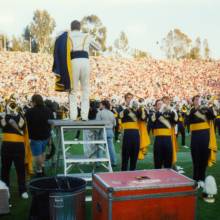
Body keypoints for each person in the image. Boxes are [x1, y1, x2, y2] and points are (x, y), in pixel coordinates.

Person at [68, 20, 100, 120]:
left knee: (73, 90)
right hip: (85, 61)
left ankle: (73, 116)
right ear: (80, 27)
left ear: (71, 27)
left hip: (73, 61)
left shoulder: (67, 36)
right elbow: (98, 47)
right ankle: (84, 116)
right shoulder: (86, 36)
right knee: (85, 89)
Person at [0, 99, 29, 199]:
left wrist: (17, 114)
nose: (12, 106)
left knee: (20, 169)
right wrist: (5, 115)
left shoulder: (20, 116)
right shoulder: (4, 116)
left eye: (13, 105)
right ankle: (5, 190)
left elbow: (22, 127)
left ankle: (23, 190)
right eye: (10, 105)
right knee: (5, 169)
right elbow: (3, 126)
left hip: (18, 146)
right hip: (7, 146)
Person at [189, 95, 217, 188]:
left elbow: (213, 117)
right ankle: (196, 179)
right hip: (196, 136)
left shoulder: (206, 109)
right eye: (196, 99)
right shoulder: (192, 110)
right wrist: (197, 107)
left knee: (204, 156)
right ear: (193, 102)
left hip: (205, 135)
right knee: (196, 157)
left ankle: (202, 178)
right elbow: (188, 120)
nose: (198, 101)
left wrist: (207, 107)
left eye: (199, 99)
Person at [25, 94, 53, 177]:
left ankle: (39, 171)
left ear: (34, 102)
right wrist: (49, 132)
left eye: (32, 101)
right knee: (43, 152)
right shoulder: (48, 110)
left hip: (35, 137)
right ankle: (42, 168)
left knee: (37, 155)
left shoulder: (29, 111)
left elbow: (25, 124)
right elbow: (51, 123)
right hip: (46, 135)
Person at [151, 99, 178, 169]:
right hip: (158, 141)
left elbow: (175, 120)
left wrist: (170, 110)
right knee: (158, 162)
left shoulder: (168, 114)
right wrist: (160, 111)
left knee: (168, 162)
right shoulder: (154, 114)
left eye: (162, 104)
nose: (161, 106)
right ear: (156, 107)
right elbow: (152, 121)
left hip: (168, 140)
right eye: (159, 104)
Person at [96, 100, 117, 166]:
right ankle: (113, 162)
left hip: (103, 130)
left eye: (101, 104)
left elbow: (97, 123)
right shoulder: (111, 113)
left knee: (100, 147)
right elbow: (114, 124)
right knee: (111, 147)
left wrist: (97, 132)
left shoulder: (100, 113)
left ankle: (98, 163)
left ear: (104, 105)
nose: (100, 105)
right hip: (110, 130)